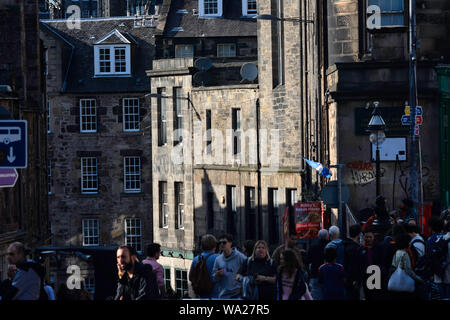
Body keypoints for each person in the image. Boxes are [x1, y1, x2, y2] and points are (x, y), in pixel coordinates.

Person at [388, 233, 423, 300]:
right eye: (409, 241)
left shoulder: (395, 251)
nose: (410, 243)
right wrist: (419, 280)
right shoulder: (405, 253)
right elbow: (408, 270)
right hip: (405, 286)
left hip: (395, 285)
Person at [212, 234, 247, 299]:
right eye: (220, 243)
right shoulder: (218, 259)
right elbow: (214, 278)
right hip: (223, 295)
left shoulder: (241, 257)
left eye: (224, 242)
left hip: (237, 294)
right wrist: (217, 274)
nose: (222, 244)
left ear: (230, 243)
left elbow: (247, 273)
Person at [189, 234, 220, 298]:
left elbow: (191, 277)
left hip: (201, 295)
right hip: (216, 294)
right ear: (214, 246)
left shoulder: (196, 259)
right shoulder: (218, 258)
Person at [359, 227, 385, 300]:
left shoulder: (379, 248)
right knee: (368, 295)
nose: (368, 239)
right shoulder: (361, 249)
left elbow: (382, 261)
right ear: (364, 237)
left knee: (376, 295)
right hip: (366, 277)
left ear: (373, 237)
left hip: (377, 276)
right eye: (367, 237)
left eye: (370, 237)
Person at [305, 229, 328, 300]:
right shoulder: (329, 246)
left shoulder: (313, 246)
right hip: (327, 274)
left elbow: (307, 261)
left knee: (316, 295)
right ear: (327, 236)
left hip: (315, 274)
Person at [342, 224, 362, 300]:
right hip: (353, 280)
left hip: (345, 278)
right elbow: (355, 265)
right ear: (358, 235)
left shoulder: (343, 245)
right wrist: (356, 279)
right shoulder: (356, 248)